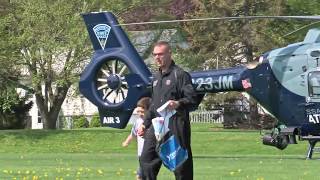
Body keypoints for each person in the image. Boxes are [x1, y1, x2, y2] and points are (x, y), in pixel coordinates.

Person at [138, 41, 198, 180]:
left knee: (181, 164)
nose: (157, 58)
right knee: (146, 160)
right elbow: (153, 105)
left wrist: (178, 103)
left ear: (169, 54)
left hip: (175, 125)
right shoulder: (155, 78)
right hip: (156, 126)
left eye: (161, 54)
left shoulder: (180, 75)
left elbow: (192, 99)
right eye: (155, 55)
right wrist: (144, 124)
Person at [122, 97, 151, 180]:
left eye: (142, 111)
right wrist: (126, 142)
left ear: (149, 110)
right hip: (141, 153)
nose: (140, 114)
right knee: (142, 175)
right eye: (138, 111)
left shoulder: (152, 121)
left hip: (149, 152)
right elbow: (133, 134)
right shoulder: (138, 122)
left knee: (141, 176)